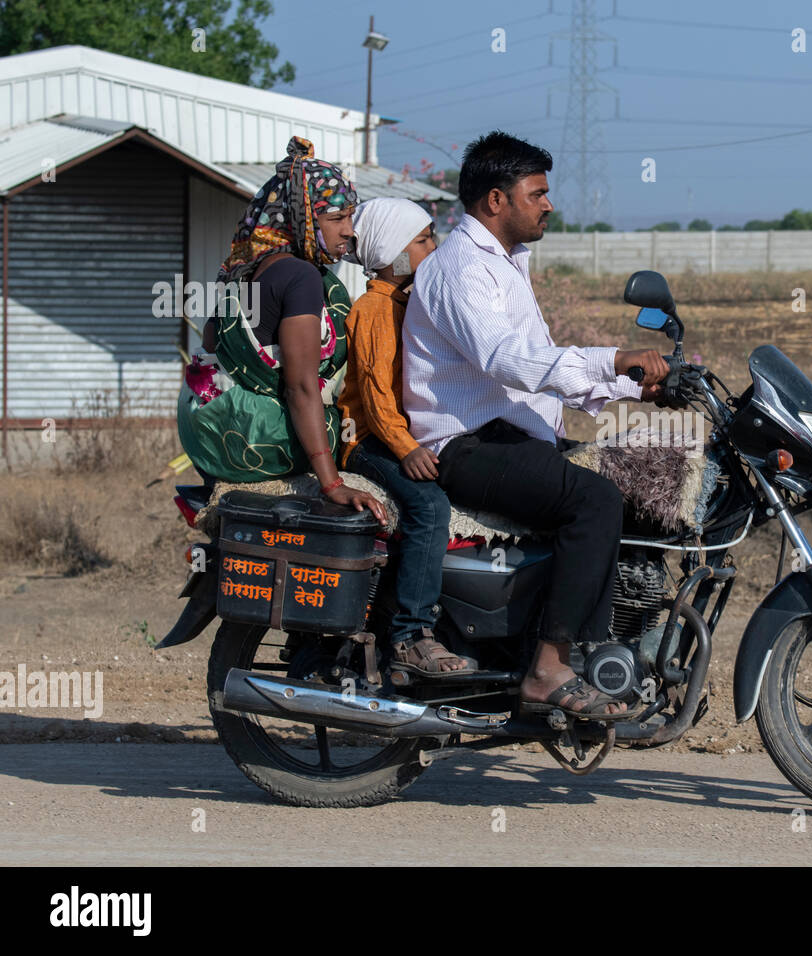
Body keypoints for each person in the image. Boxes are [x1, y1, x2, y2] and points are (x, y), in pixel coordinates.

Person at [402, 131, 669, 720]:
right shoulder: (461, 270)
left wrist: (636, 387)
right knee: (595, 502)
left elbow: (536, 364)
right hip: (467, 446)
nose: (548, 204)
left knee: (626, 485)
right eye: (538, 193)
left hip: (509, 436)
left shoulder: (506, 264)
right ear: (496, 200)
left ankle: (592, 648)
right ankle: (548, 671)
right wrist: (612, 359)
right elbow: (508, 359)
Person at [177, 136, 384, 523]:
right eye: (336, 218)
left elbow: (211, 342)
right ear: (302, 217)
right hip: (256, 442)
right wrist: (332, 484)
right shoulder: (301, 276)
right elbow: (300, 386)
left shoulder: (247, 264)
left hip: (207, 432)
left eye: (351, 218)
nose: (349, 232)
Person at [337, 198, 466, 674]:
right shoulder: (373, 309)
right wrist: (406, 449)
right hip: (368, 439)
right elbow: (374, 396)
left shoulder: (406, 302)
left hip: (396, 433)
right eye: (423, 239)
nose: (434, 246)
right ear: (393, 254)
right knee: (429, 506)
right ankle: (412, 634)